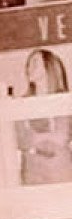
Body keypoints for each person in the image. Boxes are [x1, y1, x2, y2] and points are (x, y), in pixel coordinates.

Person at [16, 48, 72, 185]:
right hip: (31, 171)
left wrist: (35, 140)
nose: (29, 67)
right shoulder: (21, 103)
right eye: (28, 63)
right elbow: (21, 140)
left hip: (59, 170)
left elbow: (61, 137)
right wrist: (46, 138)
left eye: (35, 62)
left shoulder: (62, 99)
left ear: (49, 68)